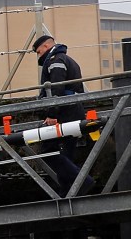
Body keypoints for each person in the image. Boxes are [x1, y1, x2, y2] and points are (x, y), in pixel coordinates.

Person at [32, 35, 94, 198]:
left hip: (64, 113)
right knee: (66, 155)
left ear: (46, 47)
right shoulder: (67, 59)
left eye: (39, 52)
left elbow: (56, 88)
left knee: (48, 151)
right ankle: (68, 191)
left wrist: (52, 114)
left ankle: (82, 182)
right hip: (74, 110)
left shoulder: (55, 61)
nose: (39, 56)